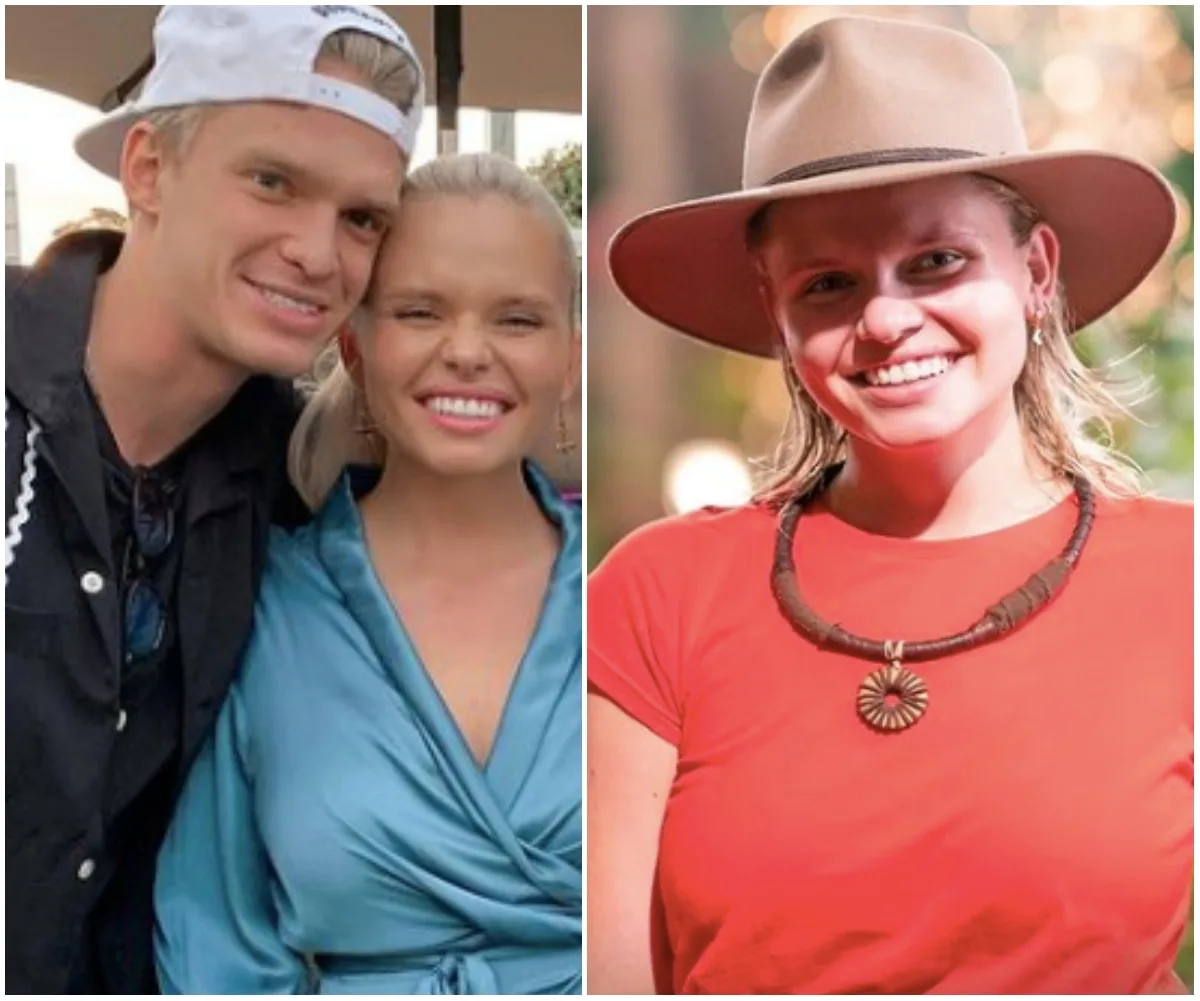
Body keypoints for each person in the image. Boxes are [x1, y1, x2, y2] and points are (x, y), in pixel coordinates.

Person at [588, 15, 1192, 995]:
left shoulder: (1180, 580)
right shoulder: (657, 592)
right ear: (776, 312)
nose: (884, 318)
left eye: (937, 260)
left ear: (1036, 271)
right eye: (828, 283)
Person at [4, 6, 424, 993]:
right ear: (148, 169)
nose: (318, 252)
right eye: (273, 180)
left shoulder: (299, 480)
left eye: (362, 218)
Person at [154, 152, 584, 995]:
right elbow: (213, 944)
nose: (467, 352)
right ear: (354, 346)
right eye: (420, 311)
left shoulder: (631, 600)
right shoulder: (255, 604)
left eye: (517, 319)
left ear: (571, 355)